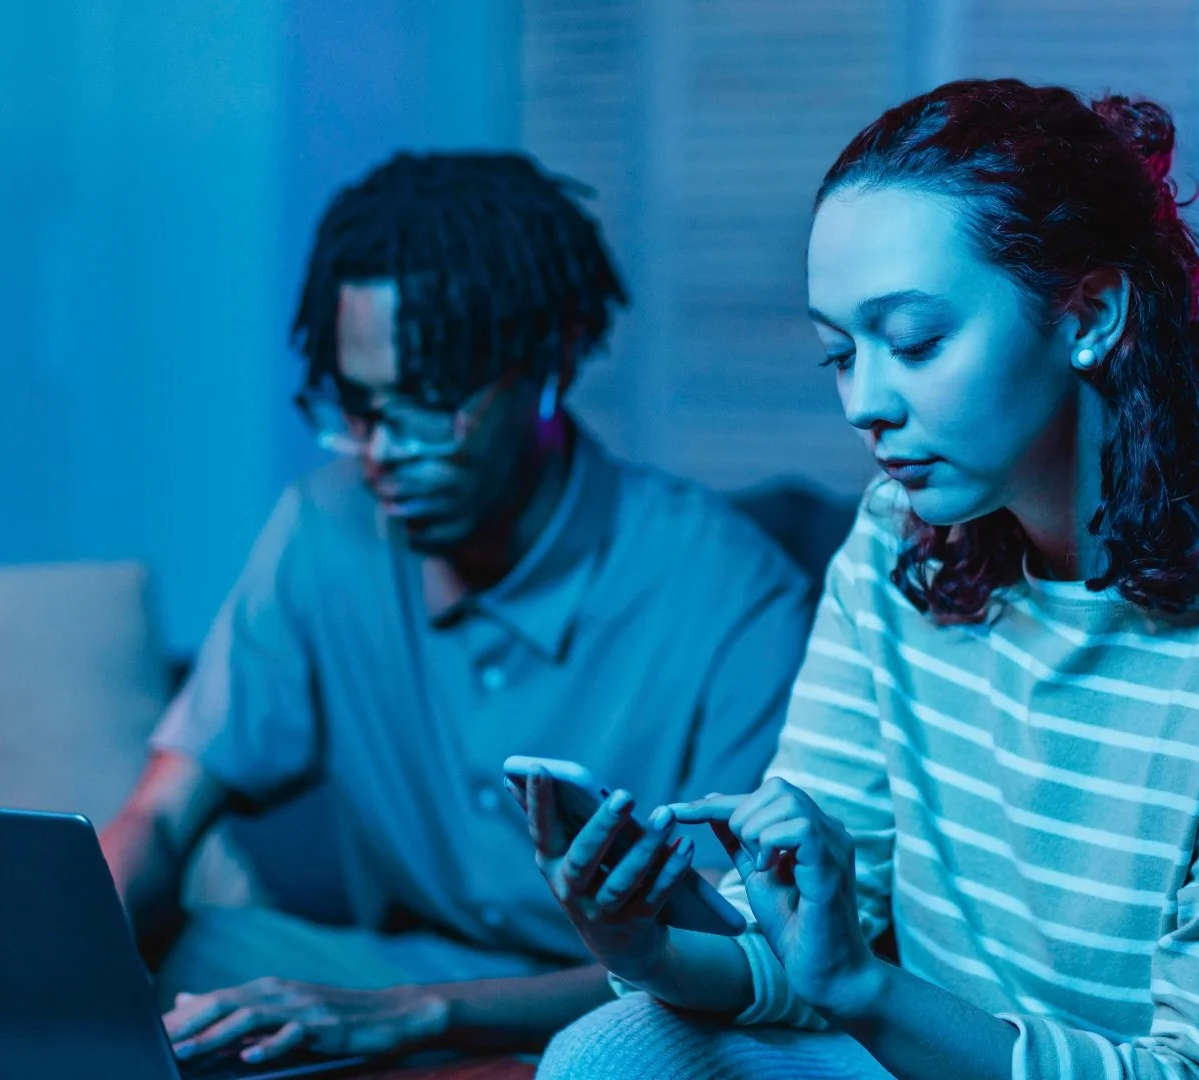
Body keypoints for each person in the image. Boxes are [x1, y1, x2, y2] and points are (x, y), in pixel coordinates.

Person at [525, 80, 1199, 1079]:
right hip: (970, 1054)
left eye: (915, 341)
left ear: (1091, 313)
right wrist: (647, 945)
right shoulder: (897, 540)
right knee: (614, 1055)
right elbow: (818, 944)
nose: (865, 403)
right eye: (839, 354)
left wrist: (867, 993)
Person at [98, 152, 813, 1067]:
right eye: (358, 408)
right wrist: (58, 955)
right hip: (386, 975)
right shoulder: (325, 530)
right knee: (185, 961)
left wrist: (419, 1011)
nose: (383, 452)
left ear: (549, 364)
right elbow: (163, 816)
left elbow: (741, 957)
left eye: (432, 406)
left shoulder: (733, 597)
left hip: (626, 1008)